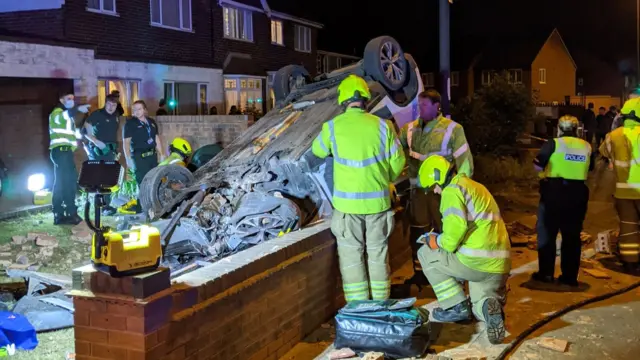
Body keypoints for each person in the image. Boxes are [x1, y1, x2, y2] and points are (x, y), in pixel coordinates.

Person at [312, 75, 405, 301]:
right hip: (378, 205)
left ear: (343, 101)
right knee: (377, 255)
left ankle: (359, 309)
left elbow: (317, 151)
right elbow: (399, 163)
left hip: (347, 208)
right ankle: (381, 303)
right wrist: (387, 178)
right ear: (366, 99)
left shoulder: (332, 127)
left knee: (352, 256)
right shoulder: (384, 126)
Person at [415, 155, 510, 345]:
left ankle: (455, 306)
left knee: (425, 253)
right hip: (500, 264)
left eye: (433, 186)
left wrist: (435, 240)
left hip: (474, 262)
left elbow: (451, 240)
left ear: (439, 177)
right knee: (479, 304)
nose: (435, 191)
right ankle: (489, 308)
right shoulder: (475, 186)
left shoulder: (452, 191)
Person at [399, 89, 474, 287]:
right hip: (417, 193)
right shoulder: (409, 129)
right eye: (418, 105)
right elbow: (395, 153)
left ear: (436, 106)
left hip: (442, 192)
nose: (420, 109)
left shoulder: (452, 129)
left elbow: (465, 162)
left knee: (447, 230)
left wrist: (460, 190)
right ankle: (423, 273)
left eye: (424, 105)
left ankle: (453, 273)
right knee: (419, 232)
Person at [532, 115, 592, 286]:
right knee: (572, 236)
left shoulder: (553, 143)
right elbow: (591, 167)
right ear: (576, 129)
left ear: (559, 128)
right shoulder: (586, 146)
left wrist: (543, 172)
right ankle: (570, 277)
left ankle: (546, 274)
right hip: (577, 194)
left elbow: (537, 165)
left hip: (553, 192)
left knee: (547, 234)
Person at [599, 98, 640, 273]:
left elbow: (603, 152)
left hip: (624, 192)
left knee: (628, 227)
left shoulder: (613, 136)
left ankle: (630, 262)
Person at [48, 91, 90, 225]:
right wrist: (77, 109)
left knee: (61, 183)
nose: (72, 100)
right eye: (68, 98)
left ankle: (59, 214)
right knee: (69, 182)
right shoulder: (57, 113)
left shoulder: (66, 117)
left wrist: (79, 134)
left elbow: (70, 134)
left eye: (73, 98)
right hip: (62, 152)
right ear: (61, 99)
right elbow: (65, 116)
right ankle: (71, 213)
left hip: (63, 152)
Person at [121, 100, 166, 214]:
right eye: (134, 109)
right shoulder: (130, 124)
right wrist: (128, 159)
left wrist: (162, 154)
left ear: (145, 109)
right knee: (142, 181)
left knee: (154, 180)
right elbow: (126, 142)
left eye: (139, 109)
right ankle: (142, 207)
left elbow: (156, 139)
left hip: (152, 156)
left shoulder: (151, 122)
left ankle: (154, 204)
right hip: (139, 157)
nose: (136, 111)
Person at [84, 93, 120, 215]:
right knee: (98, 178)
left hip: (110, 151)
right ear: (105, 103)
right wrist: (96, 141)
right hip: (98, 151)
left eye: (114, 105)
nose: (111, 107)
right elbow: (86, 132)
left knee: (108, 178)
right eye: (109, 104)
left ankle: (106, 206)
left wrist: (115, 150)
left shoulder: (116, 116)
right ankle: (97, 205)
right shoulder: (96, 115)